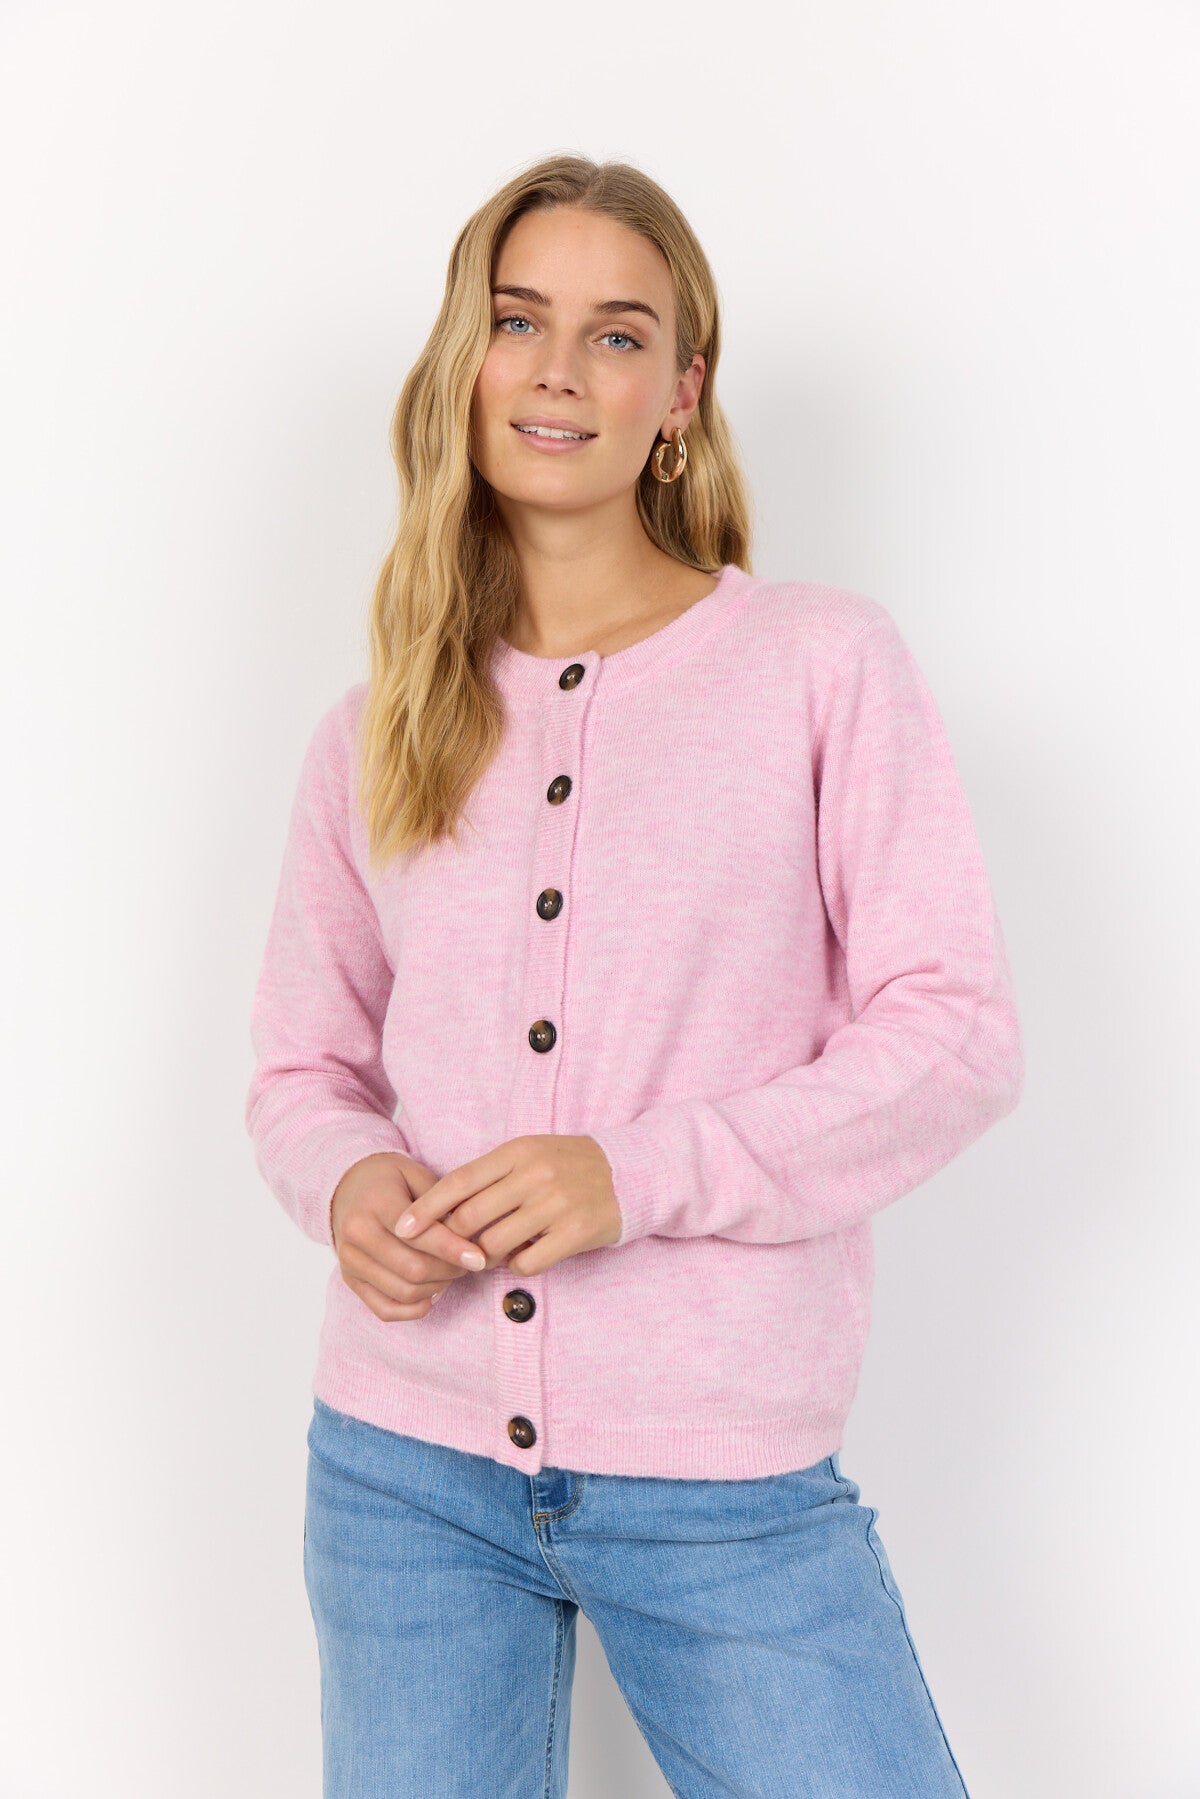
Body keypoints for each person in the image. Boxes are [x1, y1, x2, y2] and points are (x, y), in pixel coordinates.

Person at [244, 153, 1024, 1799]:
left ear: (681, 394)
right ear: (464, 363)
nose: (557, 370)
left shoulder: (818, 665)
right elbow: (304, 1072)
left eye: (617, 335)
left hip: (722, 1481)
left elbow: (955, 1036)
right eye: (519, 320)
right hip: (399, 1470)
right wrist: (352, 1185)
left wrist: (632, 1174)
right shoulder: (375, 727)